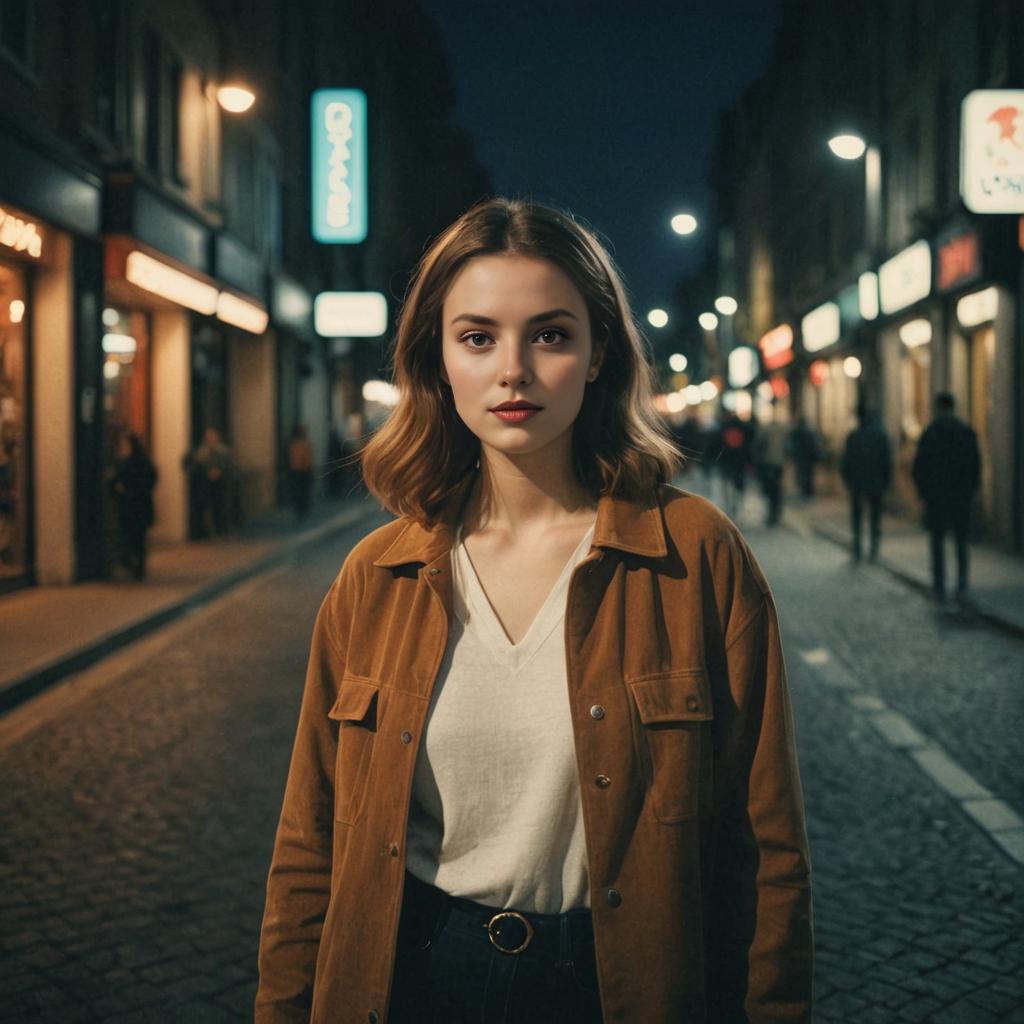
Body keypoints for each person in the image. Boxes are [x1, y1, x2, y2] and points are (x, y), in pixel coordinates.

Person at [255, 199, 812, 1023]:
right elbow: (309, 845)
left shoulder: (694, 556)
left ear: (597, 356)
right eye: (477, 337)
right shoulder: (377, 576)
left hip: (623, 986)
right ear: (439, 361)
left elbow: (767, 850)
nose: (512, 369)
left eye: (550, 334)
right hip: (417, 977)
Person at [912, 392, 981, 604]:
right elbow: (975, 465)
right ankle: (961, 584)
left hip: (937, 497)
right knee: (961, 541)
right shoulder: (965, 432)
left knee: (938, 542)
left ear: (938, 408)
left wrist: (924, 493)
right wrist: (970, 491)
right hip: (960, 496)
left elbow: (918, 467)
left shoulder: (931, 433)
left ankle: (939, 585)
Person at [840, 405, 892, 563]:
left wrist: (847, 480)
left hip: (857, 482)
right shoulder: (881, 436)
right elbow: (886, 461)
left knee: (857, 515)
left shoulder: (853, 436)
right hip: (876, 481)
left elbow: (845, 461)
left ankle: (857, 546)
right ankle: (874, 547)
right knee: (875, 516)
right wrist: (886, 481)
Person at [109, 432, 158, 580]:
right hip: (132, 506)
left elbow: (150, 480)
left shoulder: (137, 462)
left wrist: (127, 490)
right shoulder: (127, 462)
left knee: (137, 539)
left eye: (125, 445)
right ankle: (135, 567)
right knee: (132, 538)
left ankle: (137, 569)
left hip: (136, 506)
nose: (123, 448)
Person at [187, 427, 233, 537]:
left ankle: (221, 529)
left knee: (220, 506)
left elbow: (228, 465)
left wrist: (219, 471)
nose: (210, 439)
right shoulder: (201, 452)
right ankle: (207, 530)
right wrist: (207, 471)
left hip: (220, 484)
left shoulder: (223, 451)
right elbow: (197, 465)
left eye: (212, 436)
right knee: (206, 507)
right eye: (208, 437)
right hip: (205, 484)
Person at [753, 402, 787, 527]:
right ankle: (776, 511)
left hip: (768, 463)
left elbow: (759, 447)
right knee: (777, 488)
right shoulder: (784, 430)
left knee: (770, 488)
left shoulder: (765, 430)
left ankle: (772, 512)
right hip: (779, 463)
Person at [717, 410, 753, 521]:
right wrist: (750, 462)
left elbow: (719, 447)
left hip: (727, 462)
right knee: (738, 486)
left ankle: (730, 508)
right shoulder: (744, 430)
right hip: (739, 462)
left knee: (727, 486)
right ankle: (736, 508)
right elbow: (748, 448)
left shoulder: (723, 430)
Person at [287, 424, 315, 520]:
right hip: (302, 471)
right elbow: (307, 458)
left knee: (300, 492)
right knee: (302, 492)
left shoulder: (294, 444)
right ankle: (301, 510)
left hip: (298, 471)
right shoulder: (301, 444)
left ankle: (300, 510)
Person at [787, 416, 819, 500]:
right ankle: (807, 491)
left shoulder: (797, 433)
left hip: (802, 457)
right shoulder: (808, 433)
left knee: (803, 474)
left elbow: (792, 445)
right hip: (806, 457)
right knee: (807, 474)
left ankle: (805, 490)